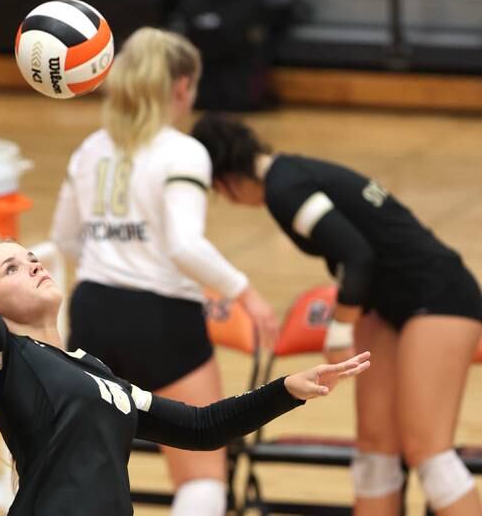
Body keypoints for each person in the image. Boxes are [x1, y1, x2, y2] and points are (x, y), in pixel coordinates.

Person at [0, 238, 370, 516]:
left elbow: (200, 428)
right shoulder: (5, 359)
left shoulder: (96, 373)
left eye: (28, 258)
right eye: (11, 269)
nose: (32, 264)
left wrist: (286, 391)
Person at [190, 113, 482, 516]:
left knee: (429, 454)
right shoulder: (290, 176)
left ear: (223, 180)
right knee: (375, 452)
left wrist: (340, 329)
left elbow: (356, 256)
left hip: (440, 296)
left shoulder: (285, 188)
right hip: (389, 304)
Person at [49, 26, 279, 515]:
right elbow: (184, 246)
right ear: (181, 87)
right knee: (201, 471)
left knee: (89, 467)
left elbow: (65, 238)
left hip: (91, 311)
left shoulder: (91, 148)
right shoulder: (182, 151)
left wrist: (111, 256)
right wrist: (248, 295)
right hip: (161, 318)